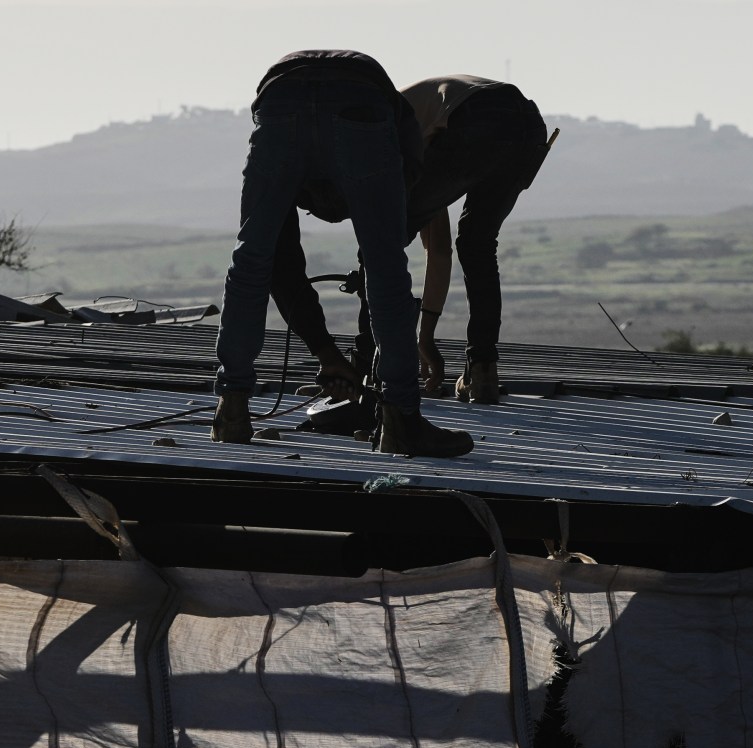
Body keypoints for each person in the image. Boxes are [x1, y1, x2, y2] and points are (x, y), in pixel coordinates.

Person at [213, 49, 473, 458]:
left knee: (250, 259)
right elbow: (385, 250)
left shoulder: (292, 165)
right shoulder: (390, 144)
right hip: (360, 99)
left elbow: (274, 267)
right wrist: (331, 355)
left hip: (281, 99)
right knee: (386, 267)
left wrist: (329, 355)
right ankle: (401, 420)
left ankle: (232, 409)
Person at [399, 76, 553, 404]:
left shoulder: (385, 131)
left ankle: (377, 366)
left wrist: (423, 339)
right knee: (476, 243)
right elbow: (439, 250)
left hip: (476, 117)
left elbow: (436, 248)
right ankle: (482, 370)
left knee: (385, 238)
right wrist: (425, 338)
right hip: (526, 125)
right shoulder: (417, 115)